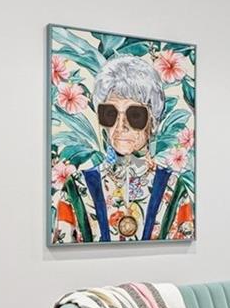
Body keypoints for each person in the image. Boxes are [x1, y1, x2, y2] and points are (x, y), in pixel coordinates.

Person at [53, 54, 192, 243]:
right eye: (109, 114)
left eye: (135, 115)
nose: (120, 126)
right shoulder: (77, 187)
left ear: (153, 121)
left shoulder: (173, 188)